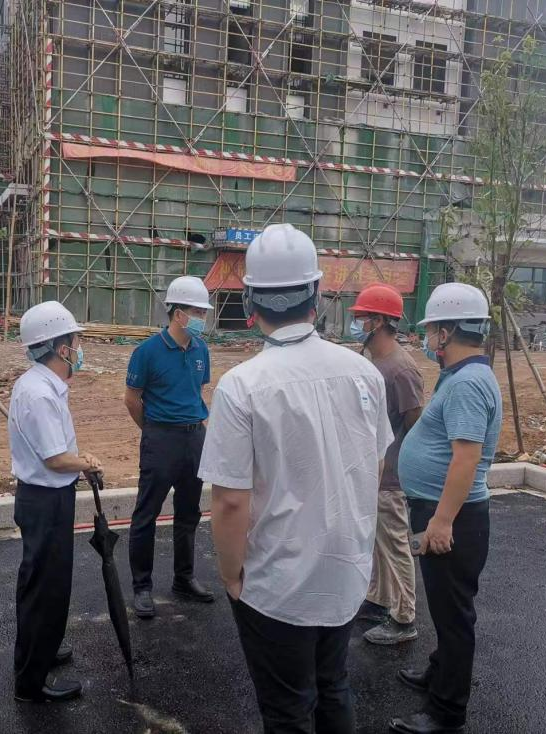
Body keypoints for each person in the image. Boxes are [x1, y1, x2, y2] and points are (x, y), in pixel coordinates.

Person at [199, 223, 394, 734]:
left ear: (250, 301)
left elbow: (230, 502)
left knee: (288, 711)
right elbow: (373, 467)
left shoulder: (242, 386)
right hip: (345, 572)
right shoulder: (363, 373)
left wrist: (231, 574)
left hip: (277, 584)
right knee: (333, 686)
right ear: (317, 295)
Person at [391, 282, 501, 734]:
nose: (427, 336)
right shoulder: (460, 374)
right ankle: (439, 672)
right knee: (444, 604)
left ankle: (446, 712)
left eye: (431, 328)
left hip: (451, 516)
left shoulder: (469, 383)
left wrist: (441, 520)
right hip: (442, 510)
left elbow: (466, 458)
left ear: (447, 331)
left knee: (454, 616)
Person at [8, 300, 102, 703]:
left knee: (41, 584)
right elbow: (55, 458)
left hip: (44, 498)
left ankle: (39, 650)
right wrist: (87, 463)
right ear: (62, 348)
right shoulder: (40, 394)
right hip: (46, 500)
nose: (80, 349)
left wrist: (77, 463)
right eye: (76, 342)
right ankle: (31, 682)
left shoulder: (38, 385)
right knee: (46, 589)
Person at [124, 276, 215, 618]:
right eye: (197, 312)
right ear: (178, 313)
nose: (202, 318)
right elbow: (132, 399)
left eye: (203, 312)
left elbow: (197, 391)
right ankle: (142, 586)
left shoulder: (201, 350)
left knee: (189, 512)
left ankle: (183, 578)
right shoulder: (147, 352)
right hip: (161, 438)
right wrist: (153, 431)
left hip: (194, 437)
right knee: (146, 514)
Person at [348, 284, 425, 646]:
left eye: (361, 317)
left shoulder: (401, 369)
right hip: (372, 471)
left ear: (378, 321)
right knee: (377, 540)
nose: (357, 323)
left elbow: (415, 424)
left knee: (395, 544)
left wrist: (401, 469)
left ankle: (404, 617)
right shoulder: (370, 359)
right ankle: (379, 598)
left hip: (391, 475)